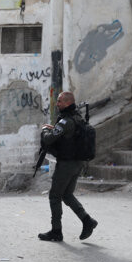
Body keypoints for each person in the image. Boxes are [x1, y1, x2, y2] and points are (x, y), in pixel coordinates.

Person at [37, 91, 98, 242]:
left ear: (68, 103)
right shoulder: (76, 118)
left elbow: (49, 139)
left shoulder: (66, 121)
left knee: (55, 196)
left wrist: (45, 130)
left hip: (67, 164)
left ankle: (56, 231)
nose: (57, 104)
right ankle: (87, 221)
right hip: (77, 163)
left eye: (60, 101)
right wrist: (55, 128)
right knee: (67, 195)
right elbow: (66, 135)